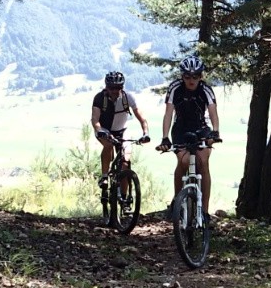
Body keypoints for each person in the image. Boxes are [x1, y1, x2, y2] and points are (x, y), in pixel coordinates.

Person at [157, 55, 222, 215]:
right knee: (184, 161)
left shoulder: (205, 89)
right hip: (180, 130)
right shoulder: (175, 88)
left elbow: (213, 111)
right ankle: (177, 202)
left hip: (201, 128)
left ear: (201, 76)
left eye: (195, 76)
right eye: (187, 76)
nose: (191, 80)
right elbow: (168, 114)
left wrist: (215, 131)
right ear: (182, 76)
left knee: (203, 162)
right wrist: (165, 137)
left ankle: (205, 211)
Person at [90, 71, 150, 185]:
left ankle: (124, 198)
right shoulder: (99, 98)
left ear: (122, 87)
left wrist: (146, 133)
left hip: (122, 130)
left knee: (125, 163)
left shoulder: (128, 97)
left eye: (118, 88)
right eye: (111, 88)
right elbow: (95, 120)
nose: (114, 91)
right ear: (106, 87)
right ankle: (104, 177)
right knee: (108, 146)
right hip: (104, 130)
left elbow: (142, 118)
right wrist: (100, 131)